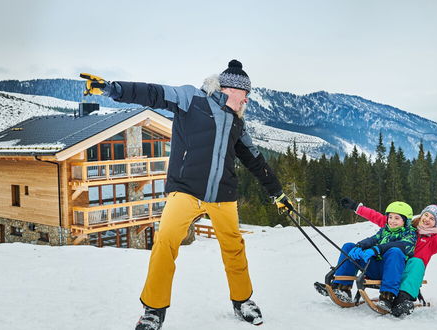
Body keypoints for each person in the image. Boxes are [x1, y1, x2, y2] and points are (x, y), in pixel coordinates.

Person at [81, 60, 291, 329]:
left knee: (234, 247)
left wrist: (277, 193)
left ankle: (243, 301)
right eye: (245, 95)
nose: (247, 100)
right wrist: (114, 89)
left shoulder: (238, 123)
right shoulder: (191, 99)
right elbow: (153, 93)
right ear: (231, 89)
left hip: (223, 194)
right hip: (185, 190)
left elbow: (255, 159)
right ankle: (153, 310)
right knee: (166, 242)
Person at [340, 197, 437, 317]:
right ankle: (341, 284)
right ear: (421, 215)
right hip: (389, 265)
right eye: (426, 215)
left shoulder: (433, 241)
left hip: (407, 275)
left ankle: (403, 299)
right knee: (368, 250)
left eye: (433, 219)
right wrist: (356, 207)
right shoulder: (404, 226)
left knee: (416, 262)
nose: (427, 219)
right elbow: (380, 218)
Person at [330, 201, 417, 312]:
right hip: (374, 268)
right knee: (349, 247)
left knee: (395, 251)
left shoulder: (410, 234)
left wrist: (377, 249)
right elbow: (373, 239)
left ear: (406, 221)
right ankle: (342, 288)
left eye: (397, 218)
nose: (392, 221)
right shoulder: (384, 231)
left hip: (392, 272)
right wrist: (359, 246)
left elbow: (401, 245)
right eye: (390, 217)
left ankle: (387, 297)